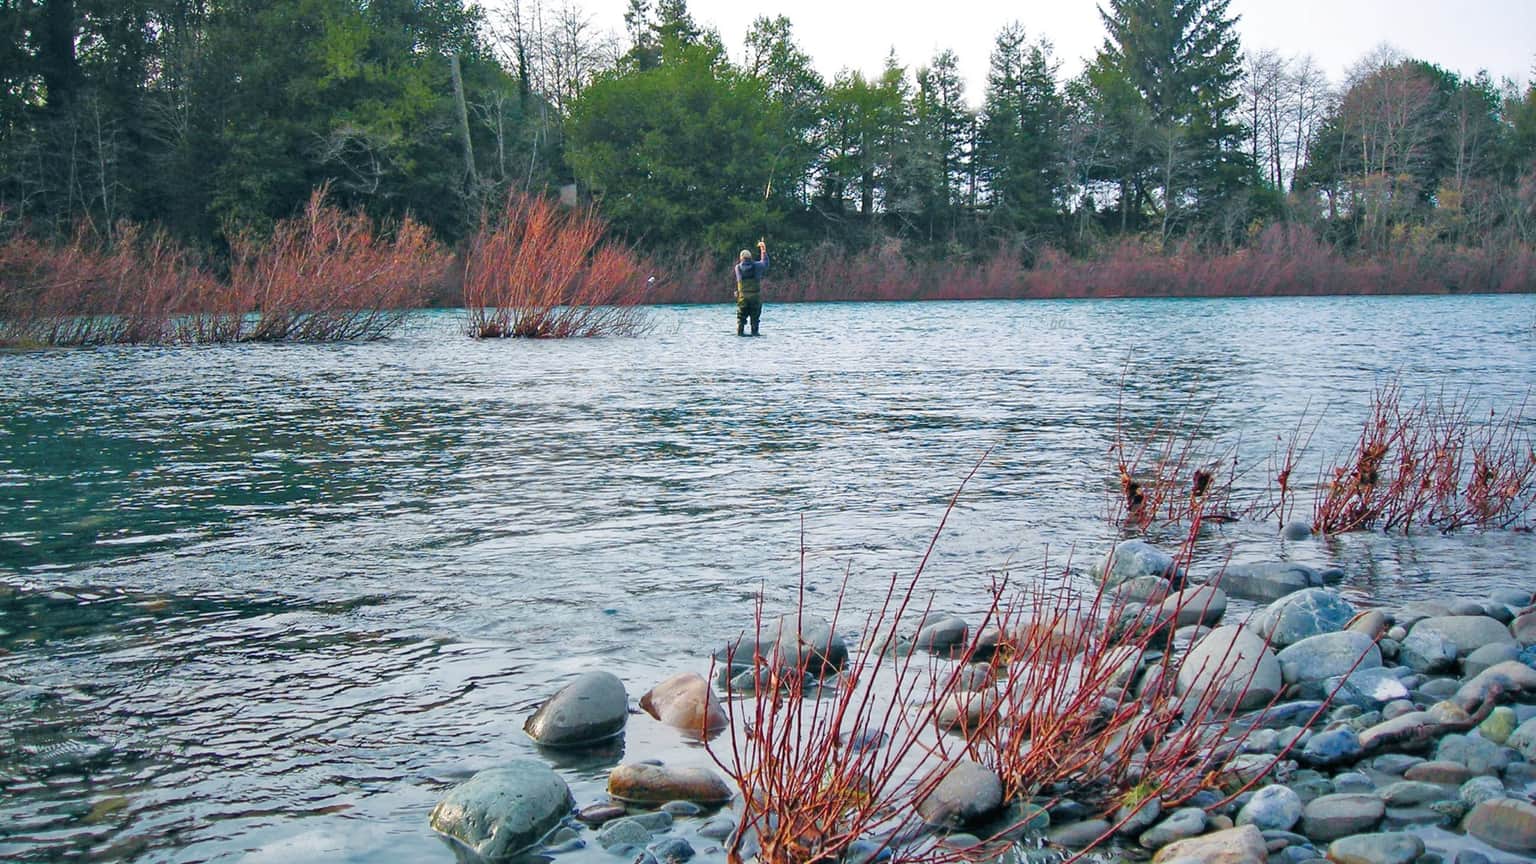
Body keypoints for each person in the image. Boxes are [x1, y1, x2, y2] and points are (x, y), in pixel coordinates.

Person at [734, 239, 768, 336]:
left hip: (742, 299)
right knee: (755, 320)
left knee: (741, 320)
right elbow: (765, 263)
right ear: (750, 257)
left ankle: (740, 333)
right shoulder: (757, 266)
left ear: (741, 258)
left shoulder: (738, 268)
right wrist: (763, 250)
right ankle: (755, 333)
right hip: (755, 299)